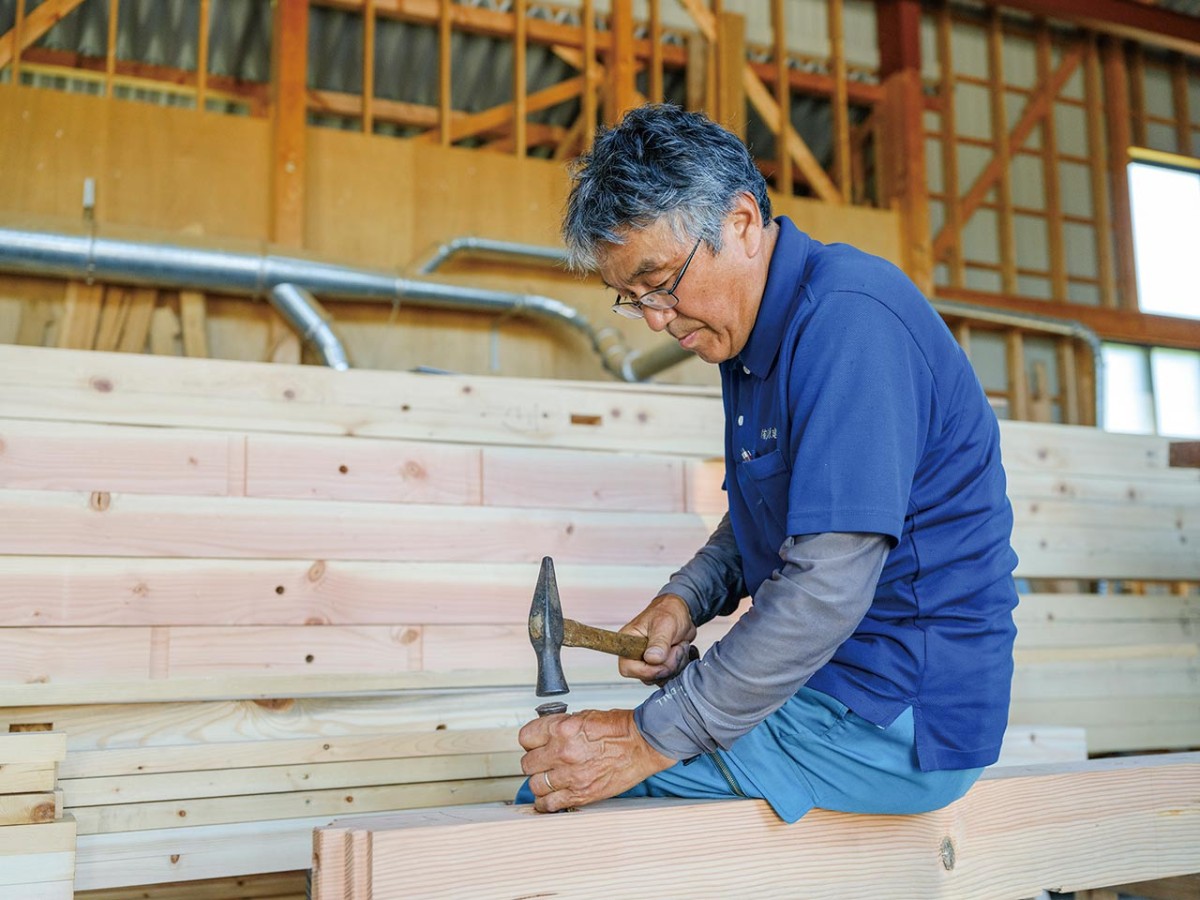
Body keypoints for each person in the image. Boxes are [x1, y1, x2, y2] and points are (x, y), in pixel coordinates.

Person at [517, 104, 1019, 823]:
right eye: (631, 299)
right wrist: (686, 600)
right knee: (565, 776)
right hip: (829, 686)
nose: (655, 317)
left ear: (743, 223)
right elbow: (774, 506)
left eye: (660, 281)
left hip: (894, 716)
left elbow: (827, 586)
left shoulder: (850, 322)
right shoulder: (749, 336)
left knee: (562, 792)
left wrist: (647, 740)